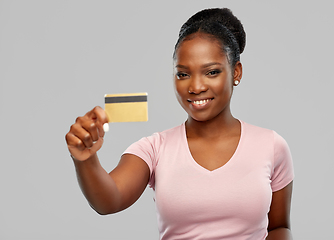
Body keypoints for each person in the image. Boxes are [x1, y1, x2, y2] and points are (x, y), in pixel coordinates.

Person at [65, 8, 294, 240]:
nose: (195, 87)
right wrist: (85, 159)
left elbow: (278, 228)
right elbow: (109, 200)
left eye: (211, 72)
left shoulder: (271, 146)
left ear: (236, 72)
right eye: (183, 74)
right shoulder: (154, 148)